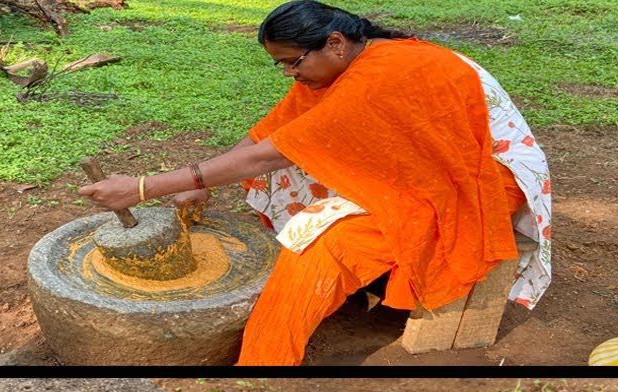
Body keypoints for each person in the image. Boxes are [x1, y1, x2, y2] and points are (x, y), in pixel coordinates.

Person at [79, 0, 552, 365]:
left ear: (335, 43)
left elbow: (270, 154)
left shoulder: (379, 78)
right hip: (428, 167)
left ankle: (264, 360)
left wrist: (142, 188)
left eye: (292, 62)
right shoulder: (340, 69)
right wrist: (204, 180)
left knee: (323, 241)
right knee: (302, 179)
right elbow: (270, 132)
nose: (289, 74)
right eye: (280, 65)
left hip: (474, 184)